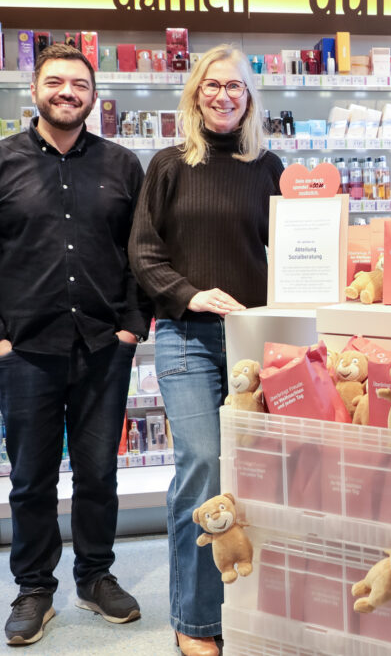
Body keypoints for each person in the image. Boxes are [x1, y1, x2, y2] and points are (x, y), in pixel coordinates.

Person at [0, 44, 148, 646]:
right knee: (31, 478)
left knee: (98, 473)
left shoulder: (122, 165)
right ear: (35, 90)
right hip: (25, 351)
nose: (67, 92)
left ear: (94, 95)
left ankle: (95, 576)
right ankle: (35, 588)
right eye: (56, 82)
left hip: (103, 346)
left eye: (79, 84)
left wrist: (131, 327)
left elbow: (143, 254)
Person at [128, 44, 282, 656]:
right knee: (204, 466)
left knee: (261, 473)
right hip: (187, 337)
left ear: (249, 97)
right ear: (195, 94)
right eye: (212, 85)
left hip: (255, 343)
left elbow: (292, 251)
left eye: (235, 87)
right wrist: (190, 294)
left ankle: (251, 607)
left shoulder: (268, 167)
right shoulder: (169, 165)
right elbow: (143, 252)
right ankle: (194, 621)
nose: (223, 95)